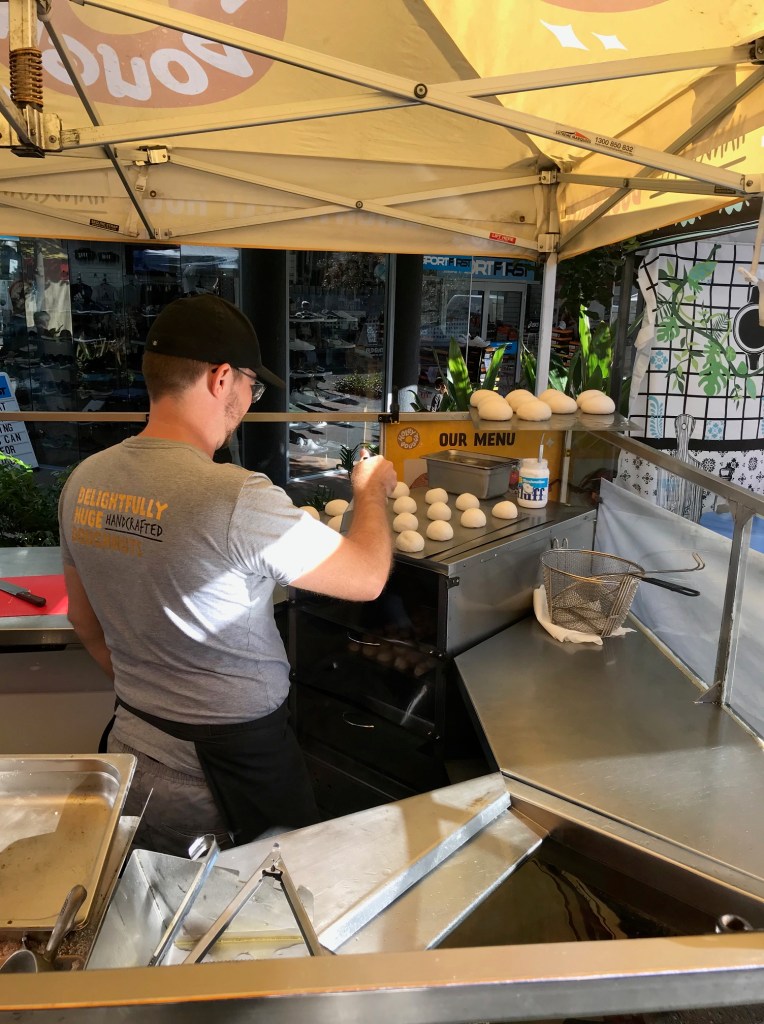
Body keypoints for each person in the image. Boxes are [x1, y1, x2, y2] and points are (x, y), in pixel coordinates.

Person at [58, 294, 397, 856]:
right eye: (250, 385)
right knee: (262, 921)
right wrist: (368, 494)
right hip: (235, 774)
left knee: (156, 914)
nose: (247, 399)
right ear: (221, 378)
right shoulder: (233, 497)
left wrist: (158, 689)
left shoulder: (84, 480)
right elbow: (366, 576)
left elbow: (83, 620)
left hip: (132, 752)